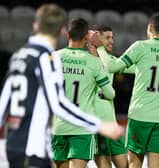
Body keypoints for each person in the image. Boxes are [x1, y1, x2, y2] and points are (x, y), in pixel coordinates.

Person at [0, 4, 123, 168]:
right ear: (60, 32)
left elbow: (3, 102)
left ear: (36, 25)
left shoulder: (20, 55)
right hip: (39, 143)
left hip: (22, 140)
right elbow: (58, 104)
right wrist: (99, 125)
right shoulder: (48, 59)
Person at [89, 12, 159, 168]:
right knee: (156, 165)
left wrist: (99, 47)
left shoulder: (141, 47)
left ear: (150, 28)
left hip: (141, 115)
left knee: (134, 164)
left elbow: (112, 67)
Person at [51, 18, 119, 168]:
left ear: (67, 35)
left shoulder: (54, 58)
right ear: (87, 36)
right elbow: (110, 94)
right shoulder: (94, 62)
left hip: (59, 126)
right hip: (81, 128)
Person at [87, 25, 129, 168]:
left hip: (112, 123)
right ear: (96, 39)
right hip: (98, 123)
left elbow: (138, 67)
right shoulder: (85, 61)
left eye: (112, 38)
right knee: (104, 165)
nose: (112, 41)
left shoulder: (111, 61)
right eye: (107, 38)